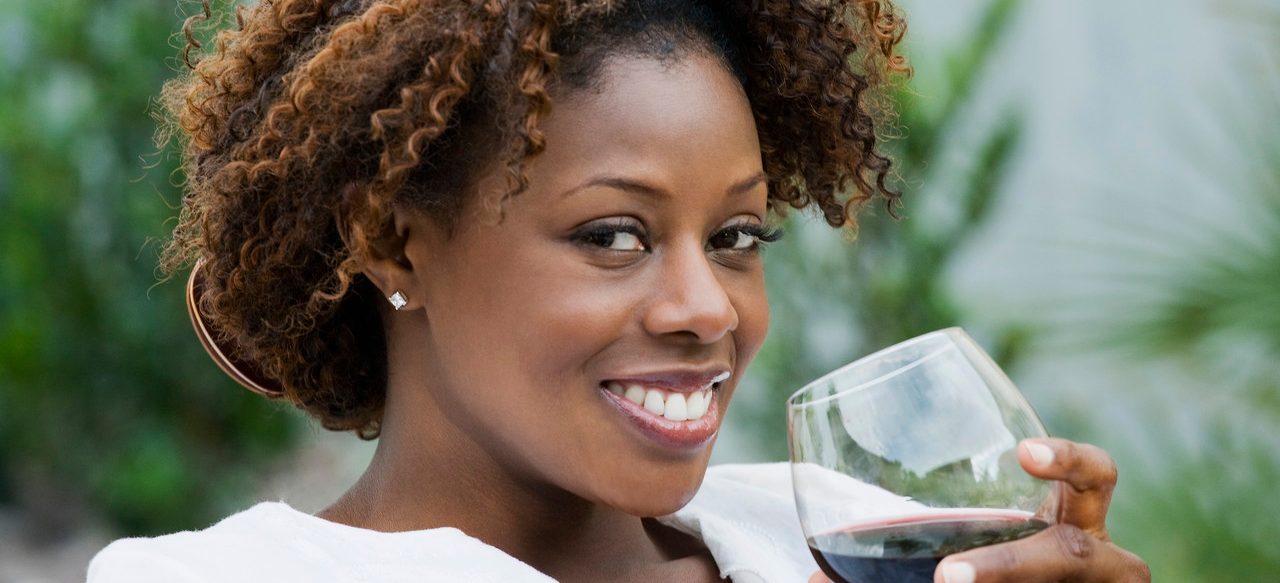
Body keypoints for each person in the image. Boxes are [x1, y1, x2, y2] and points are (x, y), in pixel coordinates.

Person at [88, 0, 1151, 581]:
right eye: (612, 235)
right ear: (390, 241)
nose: (707, 307)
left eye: (737, 234)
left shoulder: (839, 532)